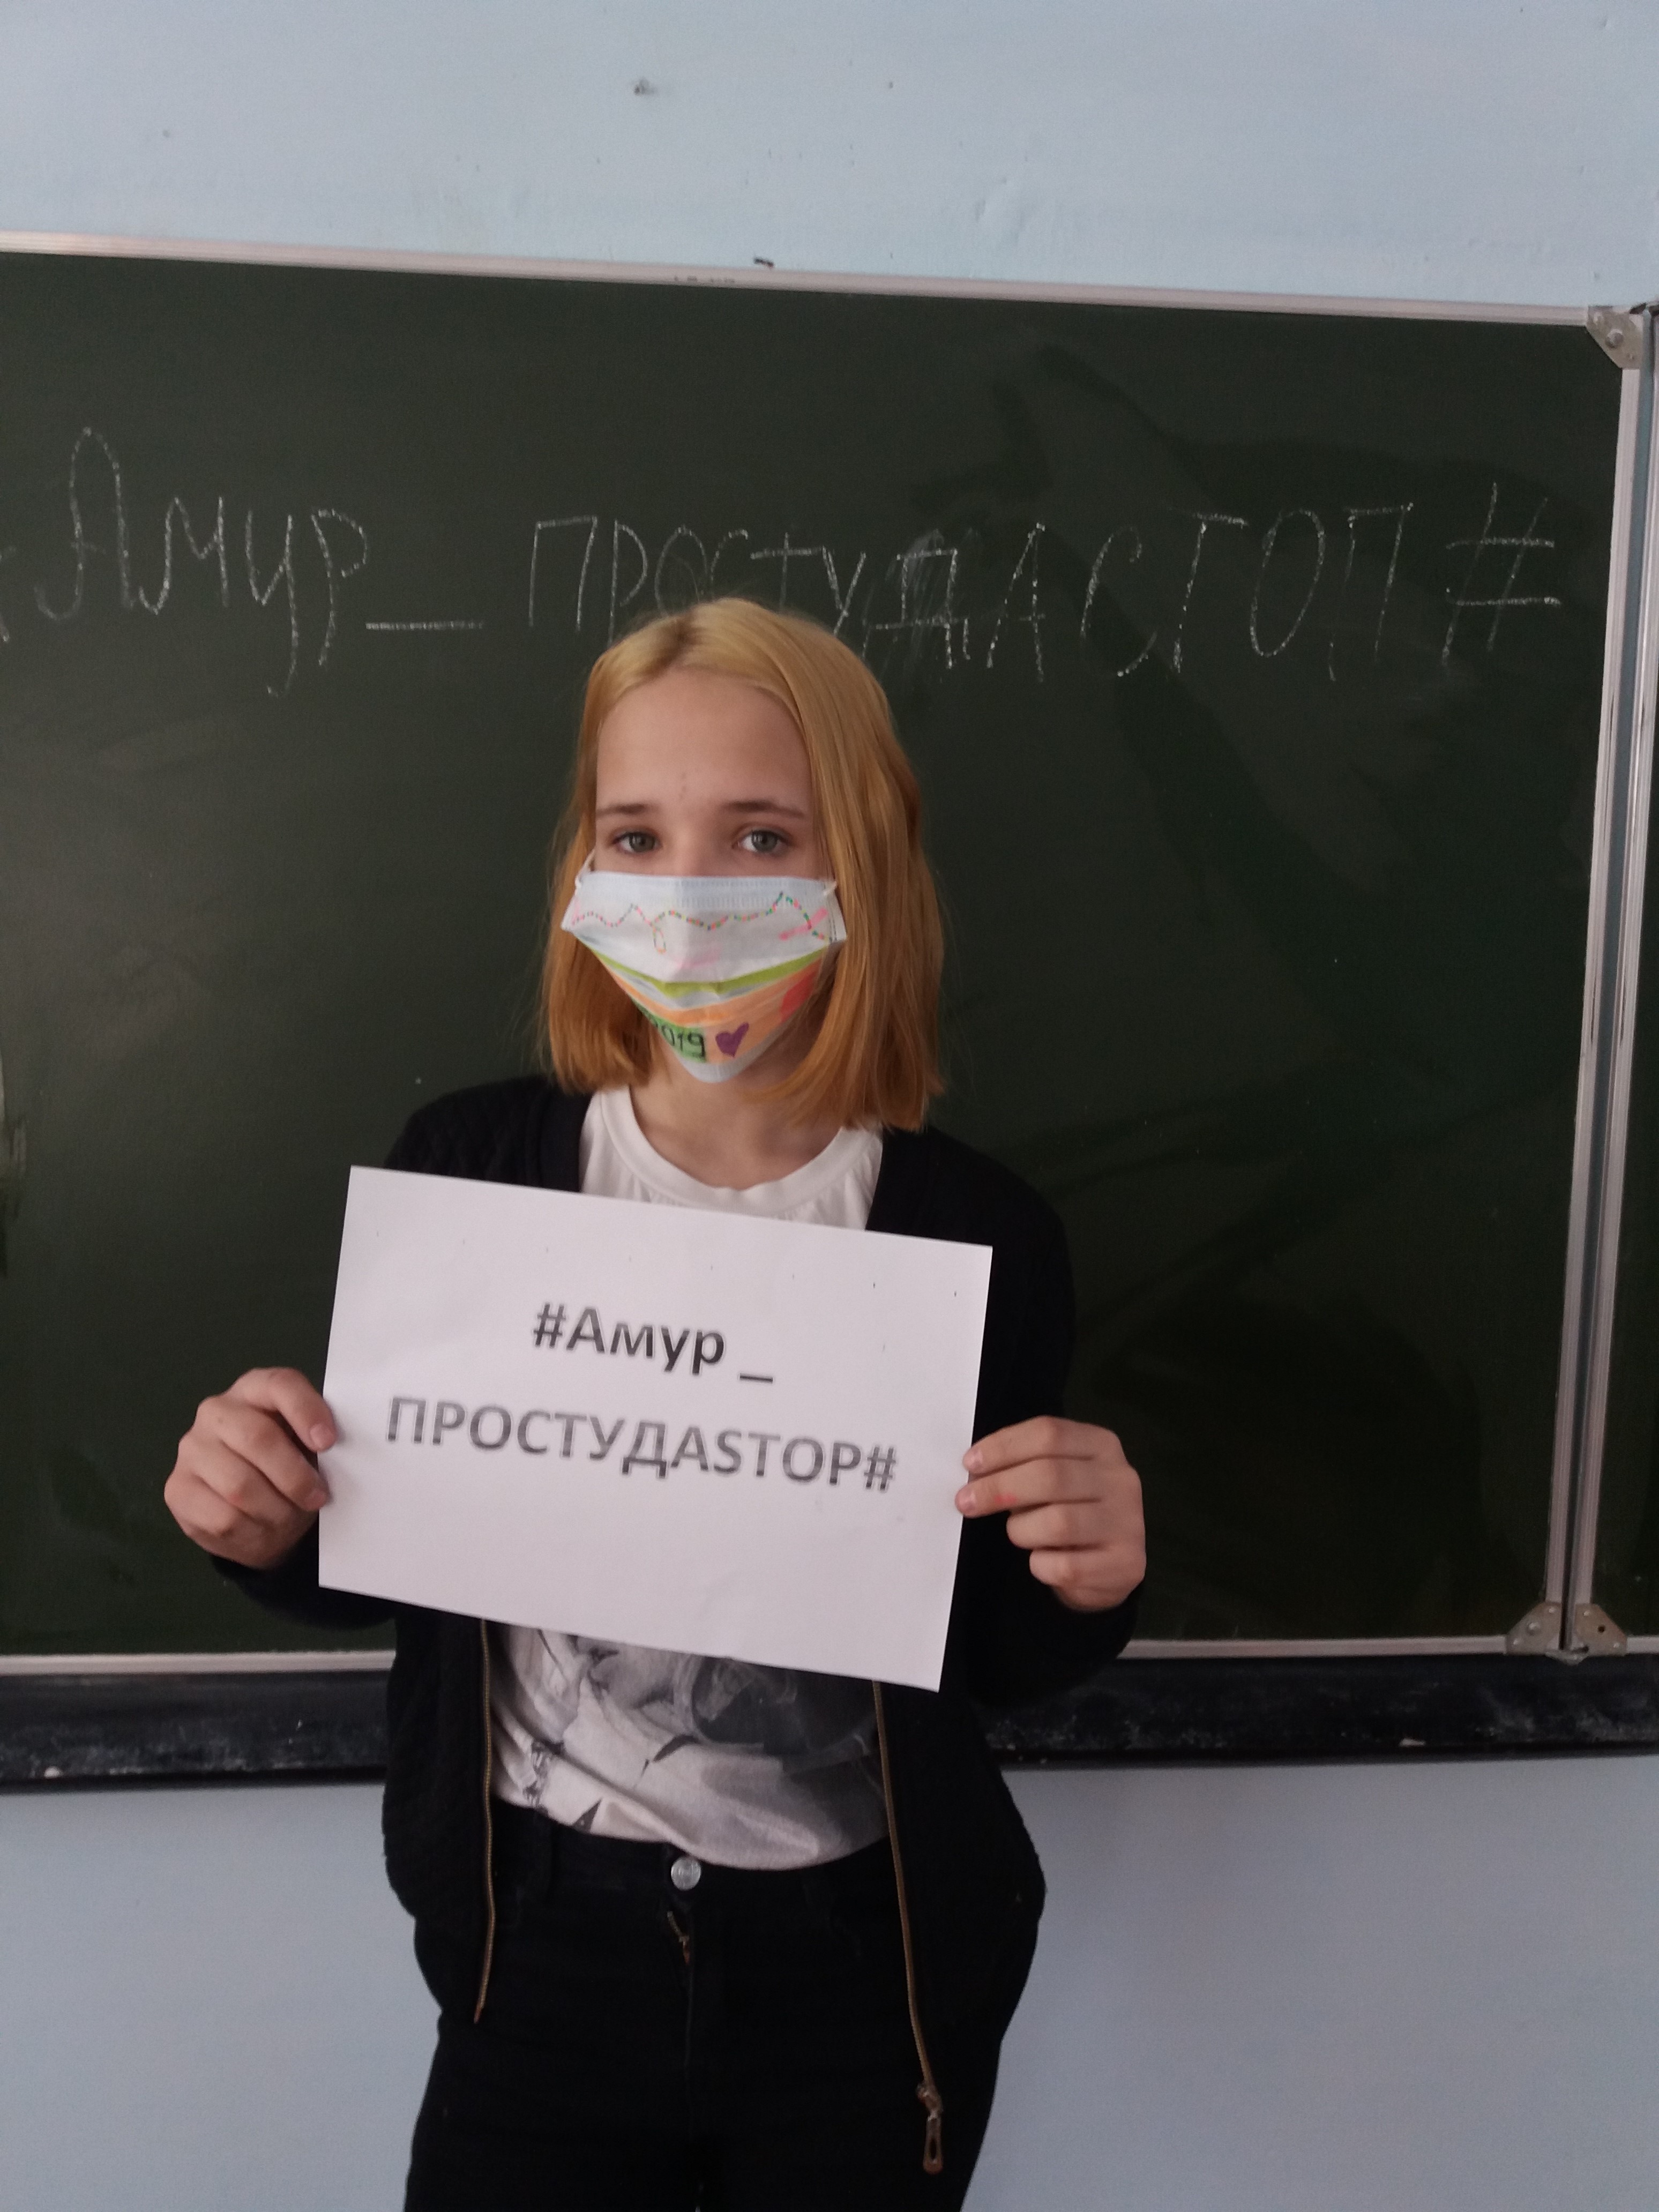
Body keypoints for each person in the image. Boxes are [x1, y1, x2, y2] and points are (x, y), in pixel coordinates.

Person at [165, 598, 1146, 2211]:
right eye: (638, 835)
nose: (690, 895)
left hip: (862, 1968)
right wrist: (263, 1517)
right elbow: (394, 1542)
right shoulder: (474, 1171)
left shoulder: (977, 1233)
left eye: (762, 836)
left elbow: (979, 1648)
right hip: (534, 1951)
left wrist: (1082, 1583)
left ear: (861, 866)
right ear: (586, 866)